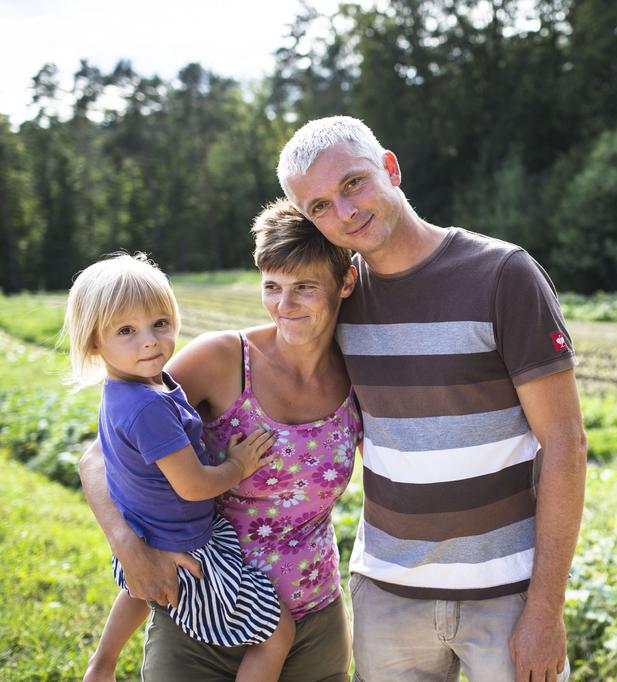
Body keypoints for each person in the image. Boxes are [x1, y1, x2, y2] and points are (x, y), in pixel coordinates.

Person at [277, 116, 588, 681]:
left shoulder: (503, 276)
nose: (344, 212)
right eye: (319, 206)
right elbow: (255, 372)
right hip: (388, 594)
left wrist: (547, 608)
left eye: (353, 184)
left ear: (390, 168)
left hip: (508, 594)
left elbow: (565, 442)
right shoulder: (338, 302)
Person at [78, 203, 361, 682]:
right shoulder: (222, 359)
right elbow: (98, 454)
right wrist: (129, 546)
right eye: (272, 287)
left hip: (315, 617)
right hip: (200, 616)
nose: (284, 306)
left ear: (345, 283)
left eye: (304, 288)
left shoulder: (361, 369)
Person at [65, 253, 294, 682]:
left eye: (160, 324)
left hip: (151, 531)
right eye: (127, 331)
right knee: (278, 633)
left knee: (141, 591)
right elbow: (193, 486)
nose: (150, 341)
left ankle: (102, 664)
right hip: (189, 548)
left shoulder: (127, 388)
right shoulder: (148, 407)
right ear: (95, 342)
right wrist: (237, 465)